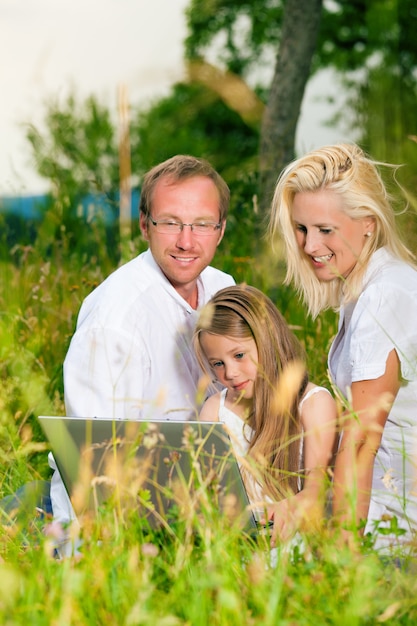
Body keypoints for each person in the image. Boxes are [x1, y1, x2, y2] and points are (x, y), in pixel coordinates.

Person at [50, 154, 235, 533]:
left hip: (215, 492)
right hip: (137, 510)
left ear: (220, 229)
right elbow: (95, 460)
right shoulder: (114, 319)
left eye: (201, 224)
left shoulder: (223, 287)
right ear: (144, 225)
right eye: (169, 223)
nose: (186, 241)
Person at [269, 142, 417, 552]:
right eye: (301, 229)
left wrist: (342, 554)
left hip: (400, 511)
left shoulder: (384, 297)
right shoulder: (371, 285)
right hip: (383, 494)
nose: (310, 246)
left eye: (325, 230)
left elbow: (362, 440)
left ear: (367, 223)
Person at [193, 284, 337, 545]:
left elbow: (318, 489)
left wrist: (291, 506)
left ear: (267, 340)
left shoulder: (313, 404)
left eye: (239, 355)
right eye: (218, 364)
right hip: (231, 545)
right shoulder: (215, 409)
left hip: (295, 545)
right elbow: (205, 490)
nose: (230, 373)